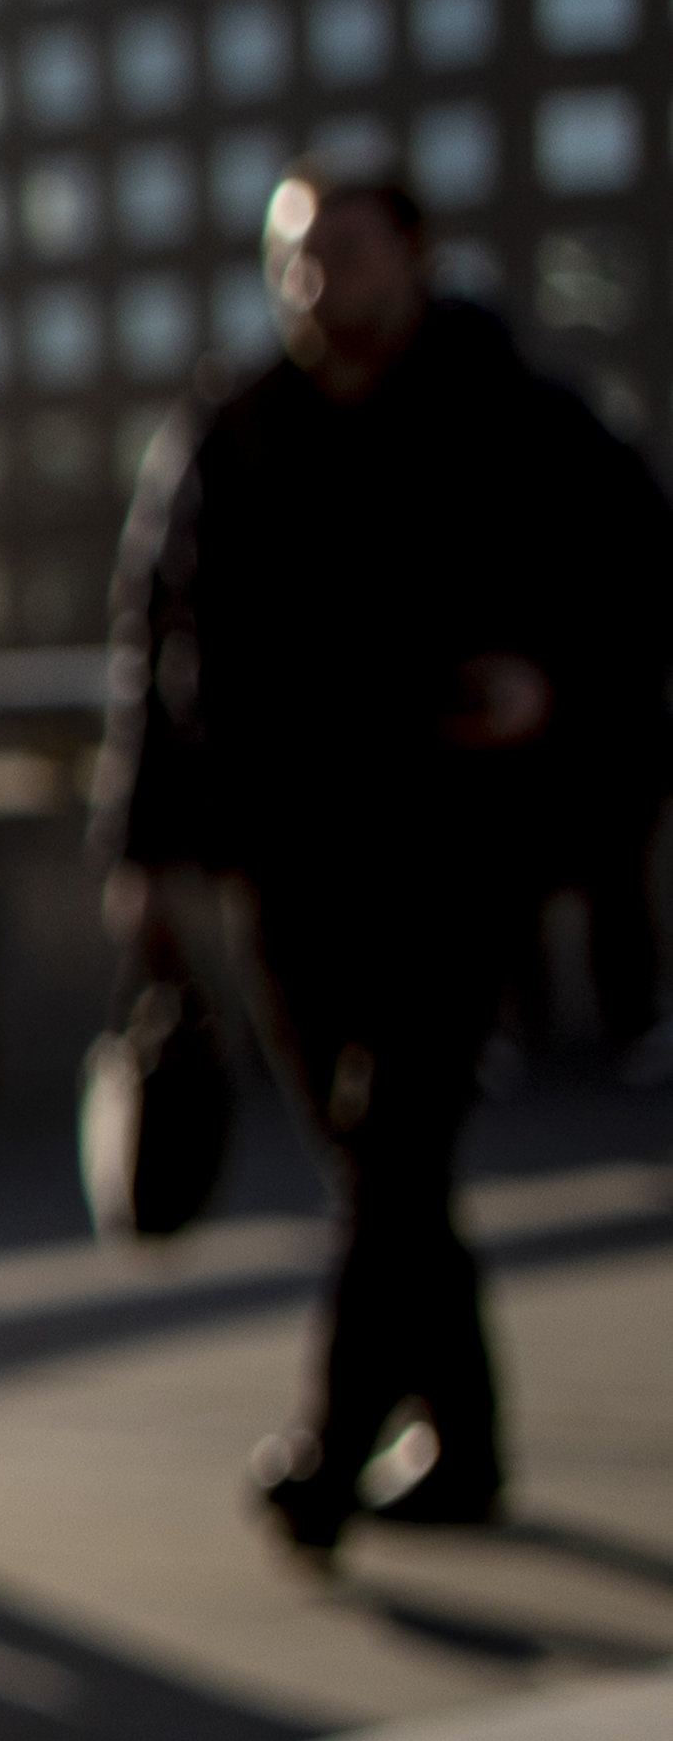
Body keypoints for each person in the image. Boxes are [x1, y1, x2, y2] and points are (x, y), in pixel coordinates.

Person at [103, 153, 673, 1553]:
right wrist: (141, 846)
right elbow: (155, 641)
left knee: (399, 1141)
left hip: (458, 850)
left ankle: (332, 1444)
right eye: (295, 255)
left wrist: (550, 685)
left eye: (344, 251)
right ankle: (465, 1439)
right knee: (376, 1162)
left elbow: (643, 588)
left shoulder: (520, 419)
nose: (317, 281)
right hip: (285, 861)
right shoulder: (231, 434)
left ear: (411, 259)